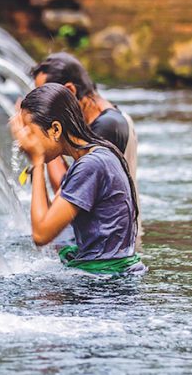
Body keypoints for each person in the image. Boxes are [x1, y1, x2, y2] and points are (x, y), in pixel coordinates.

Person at [10, 83, 144, 275]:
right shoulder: (95, 154)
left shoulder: (91, 166)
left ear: (55, 129)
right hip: (109, 276)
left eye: (30, 132)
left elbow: (41, 234)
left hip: (105, 287)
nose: (25, 141)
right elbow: (49, 217)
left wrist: (38, 160)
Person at [30, 52, 141, 248]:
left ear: (69, 91)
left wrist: (43, 145)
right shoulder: (107, 119)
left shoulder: (105, 129)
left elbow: (65, 193)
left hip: (112, 248)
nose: (41, 107)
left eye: (46, 98)